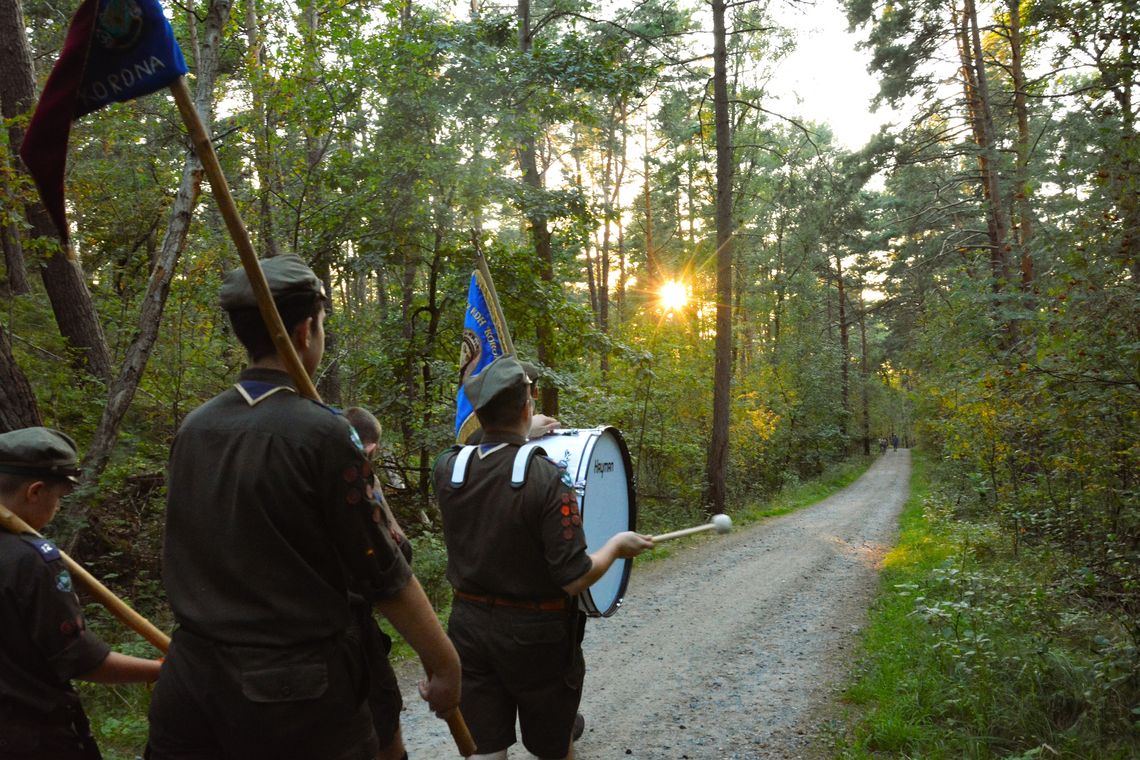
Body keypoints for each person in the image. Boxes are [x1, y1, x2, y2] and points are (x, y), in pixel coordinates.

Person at [146, 254, 461, 760]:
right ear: (303, 331)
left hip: (190, 683)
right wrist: (445, 665)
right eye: (321, 326)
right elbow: (382, 569)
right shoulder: (325, 433)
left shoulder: (196, 425)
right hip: (293, 698)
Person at [433, 356, 654, 760]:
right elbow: (575, 577)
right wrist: (615, 547)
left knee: (484, 749)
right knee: (554, 748)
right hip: (537, 635)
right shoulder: (548, 477)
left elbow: (478, 450)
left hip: (468, 627)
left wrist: (510, 432)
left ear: (480, 413)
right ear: (527, 405)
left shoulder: (449, 467)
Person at [0, 427, 162, 760]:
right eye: (58, 498)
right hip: (30, 738)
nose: (57, 508)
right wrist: (160, 669)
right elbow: (81, 660)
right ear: (35, 491)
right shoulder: (29, 560)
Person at [343, 406, 414, 760]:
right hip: (350, 634)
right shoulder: (354, 483)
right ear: (370, 450)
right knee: (385, 732)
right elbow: (396, 553)